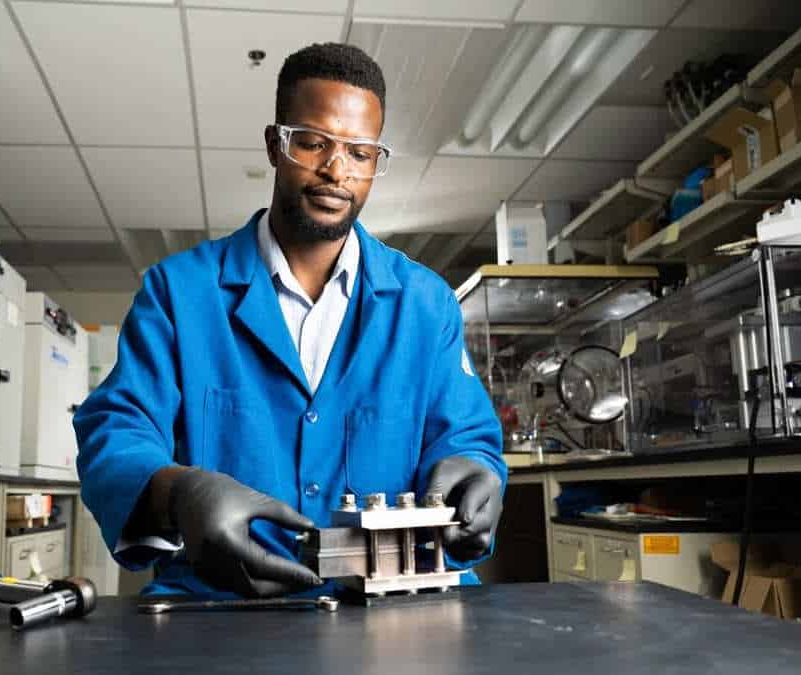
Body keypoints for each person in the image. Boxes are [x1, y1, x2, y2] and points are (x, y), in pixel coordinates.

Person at [74, 42, 505, 598]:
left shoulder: (427, 304)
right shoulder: (180, 293)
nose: (336, 170)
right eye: (313, 143)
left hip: (397, 605)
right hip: (218, 609)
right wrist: (176, 491)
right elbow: (117, 428)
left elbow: (465, 433)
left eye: (360, 152)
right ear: (276, 146)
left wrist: (474, 471)